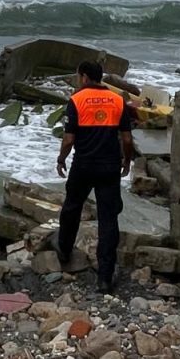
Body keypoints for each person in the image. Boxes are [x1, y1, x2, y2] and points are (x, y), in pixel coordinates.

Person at [55, 60, 134, 293]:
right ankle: (105, 278)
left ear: (85, 77)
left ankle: (64, 249)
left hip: (84, 165)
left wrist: (61, 159)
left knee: (72, 207)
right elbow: (127, 139)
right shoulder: (118, 101)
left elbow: (69, 139)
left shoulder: (77, 100)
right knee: (108, 219)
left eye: (80, 76)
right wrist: (127, 161)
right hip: (109, 167)